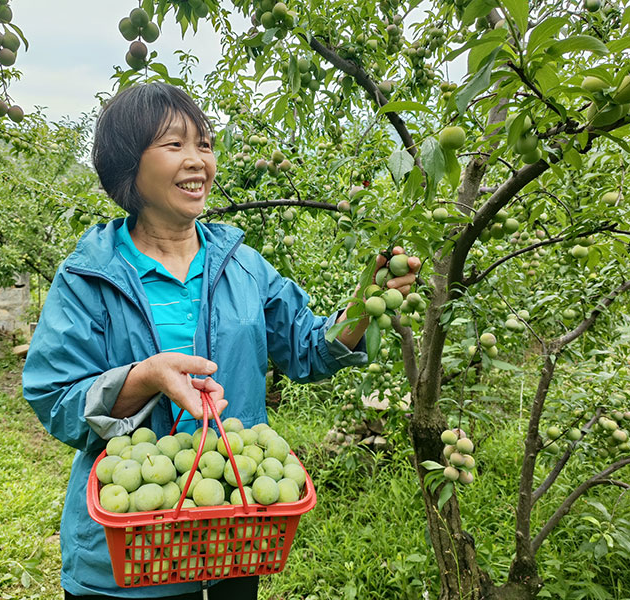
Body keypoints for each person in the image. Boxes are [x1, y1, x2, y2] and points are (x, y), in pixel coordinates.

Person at [22, 82, 419, 600]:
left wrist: (367, 302)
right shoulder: (90, 276)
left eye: (205, 144)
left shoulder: (242, 266)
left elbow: (308, 347)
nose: (198, 161)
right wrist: (145, 378)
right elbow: (56, 397)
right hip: (131, 547)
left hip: (233, 535)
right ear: (128, 166)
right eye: (174, 145)